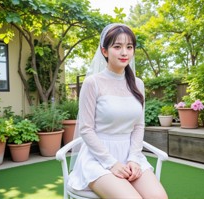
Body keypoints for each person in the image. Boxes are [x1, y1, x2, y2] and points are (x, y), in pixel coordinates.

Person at [68, 23, 168, 199]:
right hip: (98, 157)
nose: (124, 52)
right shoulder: (93, 83)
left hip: (130, 154)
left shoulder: (138, 84)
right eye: (117, 46)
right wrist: (111, 163)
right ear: (104, 51)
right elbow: (86, 129)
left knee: (159, 197)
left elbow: (139, 126)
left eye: (129, 47)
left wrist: (134, 159)